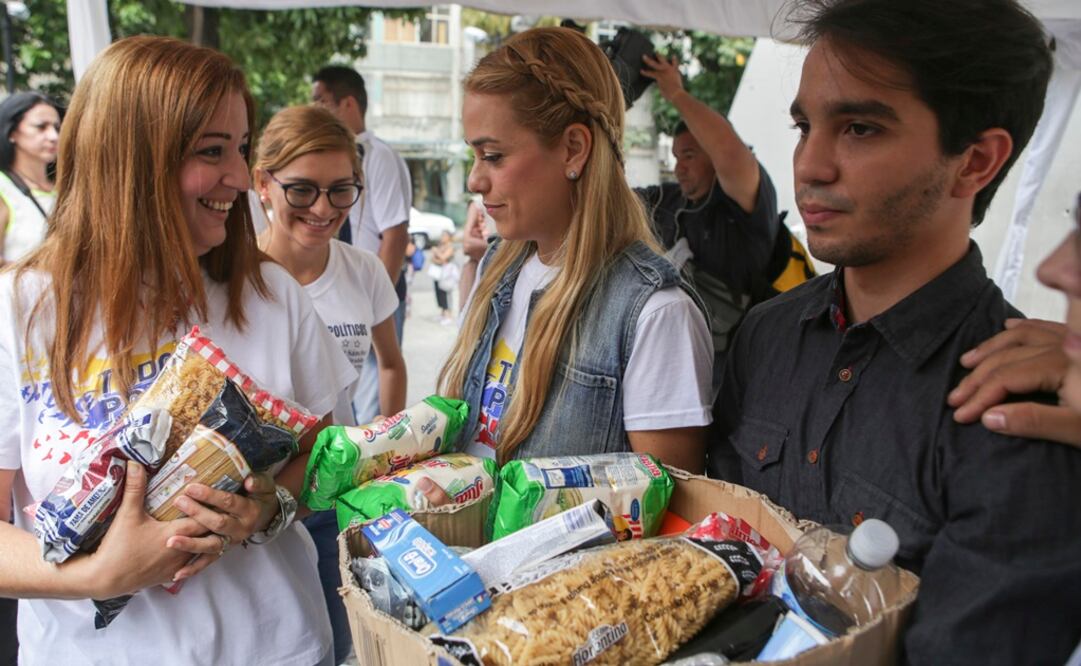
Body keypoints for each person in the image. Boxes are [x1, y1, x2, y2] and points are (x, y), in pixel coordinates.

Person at [708, 0, 1081, 662]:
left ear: (974, 162)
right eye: (803, 126)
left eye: (858, 128)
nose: (809, 166)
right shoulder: (764, 336)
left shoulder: (1018, 417)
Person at [0, 36, 356, 665]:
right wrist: (98, 575)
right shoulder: (21, 309)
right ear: (130, 159)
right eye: (212, 151)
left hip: (276, 649)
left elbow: (328, 458)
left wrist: (266, 507)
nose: (241, 179)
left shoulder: (271, 294)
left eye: (241, 149)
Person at [437, 27, 713, 472]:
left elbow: (663, 520)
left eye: (493, 156)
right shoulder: (498, 264)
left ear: (573, 149)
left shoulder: (655, 313)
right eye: (474, 156)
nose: (475, 180)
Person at [252, 104, 406, 665]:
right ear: (261, 183)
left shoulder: (363, 269)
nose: (323, 209)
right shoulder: (235, 281)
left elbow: (390, 363)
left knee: (336, 644)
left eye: (342, 191)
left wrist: (387, 453)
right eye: (302, 191)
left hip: (337, 498)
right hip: (260, 507)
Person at [636, 56, 804, 383]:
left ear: (712, 156)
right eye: (675, 157)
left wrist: (676, 95)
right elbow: (611, 195)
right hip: (676, 366)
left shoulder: (744, 203)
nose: (679, 166)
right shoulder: (671, 200)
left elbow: (730, 152)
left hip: (741, 374)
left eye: (689, 155)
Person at [312, 65, 412, 424]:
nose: (322, 205)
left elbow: (395, 234)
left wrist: (371, 301)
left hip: (370, 287)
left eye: (321, 101)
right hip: (344, 283)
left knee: (369, 396)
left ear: (348, 103)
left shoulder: (377, 156)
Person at [0, 92, 62, 265]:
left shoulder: (63, 189)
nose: (53, 136)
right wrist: (37, 272)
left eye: (56, 127)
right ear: (12, 133)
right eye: (41, 127)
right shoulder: (3, 187)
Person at [430, 230, 457, 324]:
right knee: (439, 292)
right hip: (438, 273)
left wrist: (437, 253)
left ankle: (448, 315)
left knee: (446, 293)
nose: (442, 238)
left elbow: (443, 258)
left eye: (444, 236)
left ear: (449, 237)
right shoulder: (440, 246)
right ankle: (442, 313)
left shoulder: (450, 247)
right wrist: (438, 257)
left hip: (447, 274)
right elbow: (434, 259)